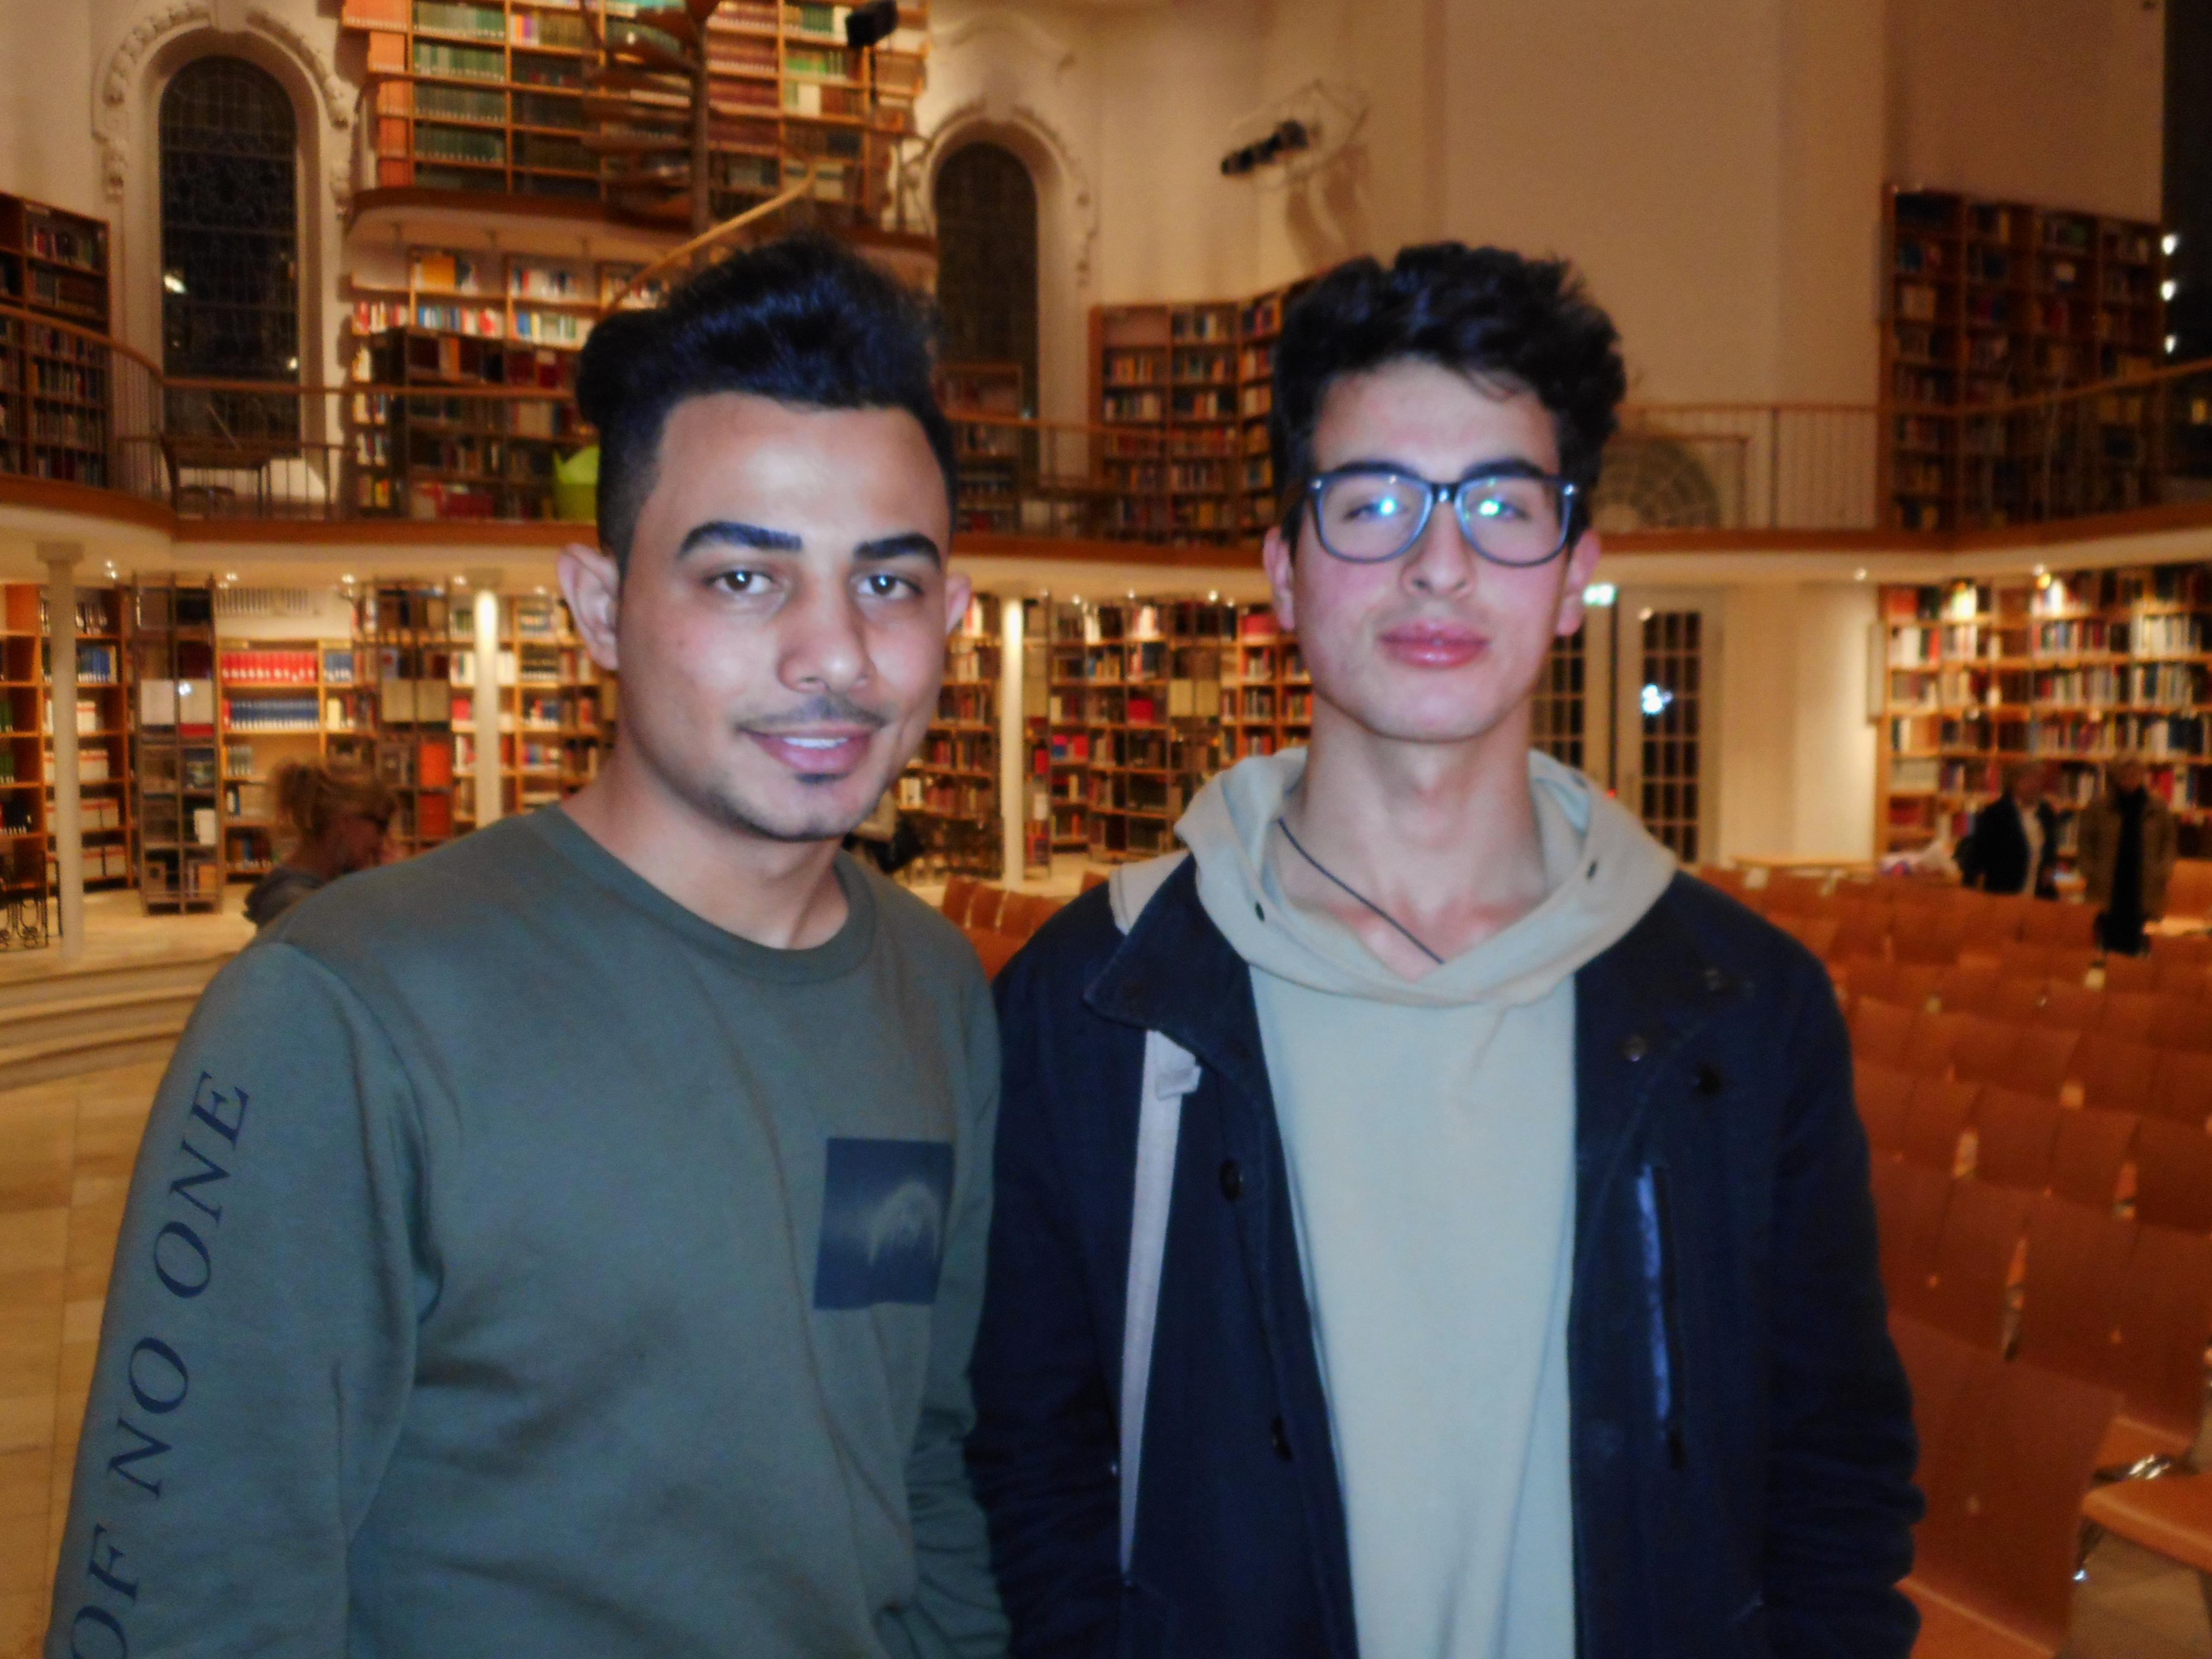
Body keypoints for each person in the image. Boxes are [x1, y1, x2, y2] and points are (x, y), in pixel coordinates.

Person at [48, 235, 1006, 1658]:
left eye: (887, 585)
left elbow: (917, 1455)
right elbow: (195, 1593)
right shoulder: (347, 1010)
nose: (833, 655)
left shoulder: (935, 991)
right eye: (742, 579)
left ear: (953, 619)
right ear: (599, 607)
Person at [968, 244, 1920, 1657]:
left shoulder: (1744, 1010)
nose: (1436, 563)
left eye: (1498, 505)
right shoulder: (1096, 1002)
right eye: (1369, 505)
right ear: (1283, 571)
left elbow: (1831, 1477)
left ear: (1573, 574)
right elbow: (1027, 1458)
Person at [241, 760, 397, 928]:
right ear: (347, 821)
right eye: (382, 826)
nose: (385, 842)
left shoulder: (312, 893)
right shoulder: (299, 907)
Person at [2077, 753, 2177, 955]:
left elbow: (2169, 842)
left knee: (2140, 942)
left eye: (2135, 774)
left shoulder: (2157, 807)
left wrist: (2163, 870)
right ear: (2116, 777)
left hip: (2144, 883)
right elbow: (2085, 842)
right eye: (2124, 775)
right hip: (2108, 884)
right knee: (2108, 941)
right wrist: (2090, 871)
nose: (2130, 780)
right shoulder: (2099, 806)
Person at [1956, 760, 2059, 898]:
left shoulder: (2046, 813)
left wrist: (2049, 866)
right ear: (2014, 783)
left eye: (2038, 779)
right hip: (2003, 893)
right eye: (2028, 780)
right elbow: (1977, 856)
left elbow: (2050, 848)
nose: (2034, 785)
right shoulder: (1996, 814)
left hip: (2038, 893)